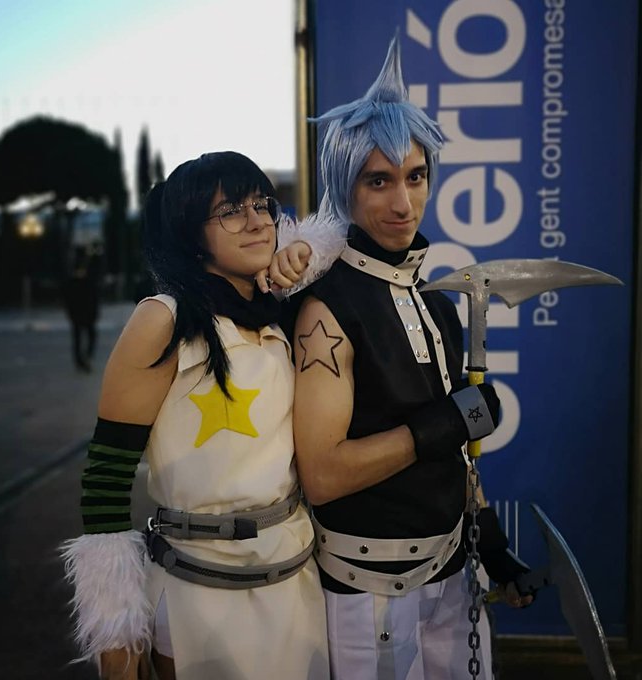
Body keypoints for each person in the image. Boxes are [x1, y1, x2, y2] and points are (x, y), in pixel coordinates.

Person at [291, 36, 532, 680]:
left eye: (415, 177)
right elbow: (323, 475)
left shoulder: (437, 303)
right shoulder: (325, 310)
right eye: (379, 181)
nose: (403, 203)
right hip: (366, 592)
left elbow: (456, 453)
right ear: (345, 187)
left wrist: (490, 539)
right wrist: (444, 423)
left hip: (454, 575)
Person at [61, 151, 333, 680]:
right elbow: (106, 480)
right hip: (197, 595)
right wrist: (116, 629)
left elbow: (350, 244)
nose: (257, 221)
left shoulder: (279, 313)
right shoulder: (163, 318)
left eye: (262, 205)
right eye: (230, 210)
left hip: (295, 585)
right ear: (191, 230)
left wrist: (305, 249)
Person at [63, 245, 101, 373]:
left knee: (85, 336)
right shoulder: (78, 283)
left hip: (84, 313)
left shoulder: (85, 282)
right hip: (80, 313)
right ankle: (82, 359)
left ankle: (84, 358)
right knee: (81, 337)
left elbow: (93, 298)